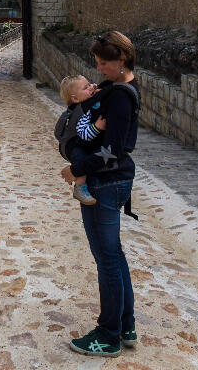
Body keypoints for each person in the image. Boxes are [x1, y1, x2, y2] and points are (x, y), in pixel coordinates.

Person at [61, 31, 140, 359]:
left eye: (104, 63)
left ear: (121, 60)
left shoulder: (120, 96)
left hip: (105, 182)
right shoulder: (118, 87)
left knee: (106, 259)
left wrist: (77, 168)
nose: (99, 69)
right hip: (109, 181)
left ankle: (108, 335)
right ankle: (126, 324)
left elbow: (115, 150)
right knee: (113, 255)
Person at [56, 75, 108, 205]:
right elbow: (84, 134)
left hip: (76, 141)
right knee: (82, 158)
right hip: (72, 145)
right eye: (86, 87)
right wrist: (97, 127)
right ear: (75, 98)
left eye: (90, 84)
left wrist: (93, 89)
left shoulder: (86, 102)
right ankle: (80, 187)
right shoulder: (83, 111)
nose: (91, 87)